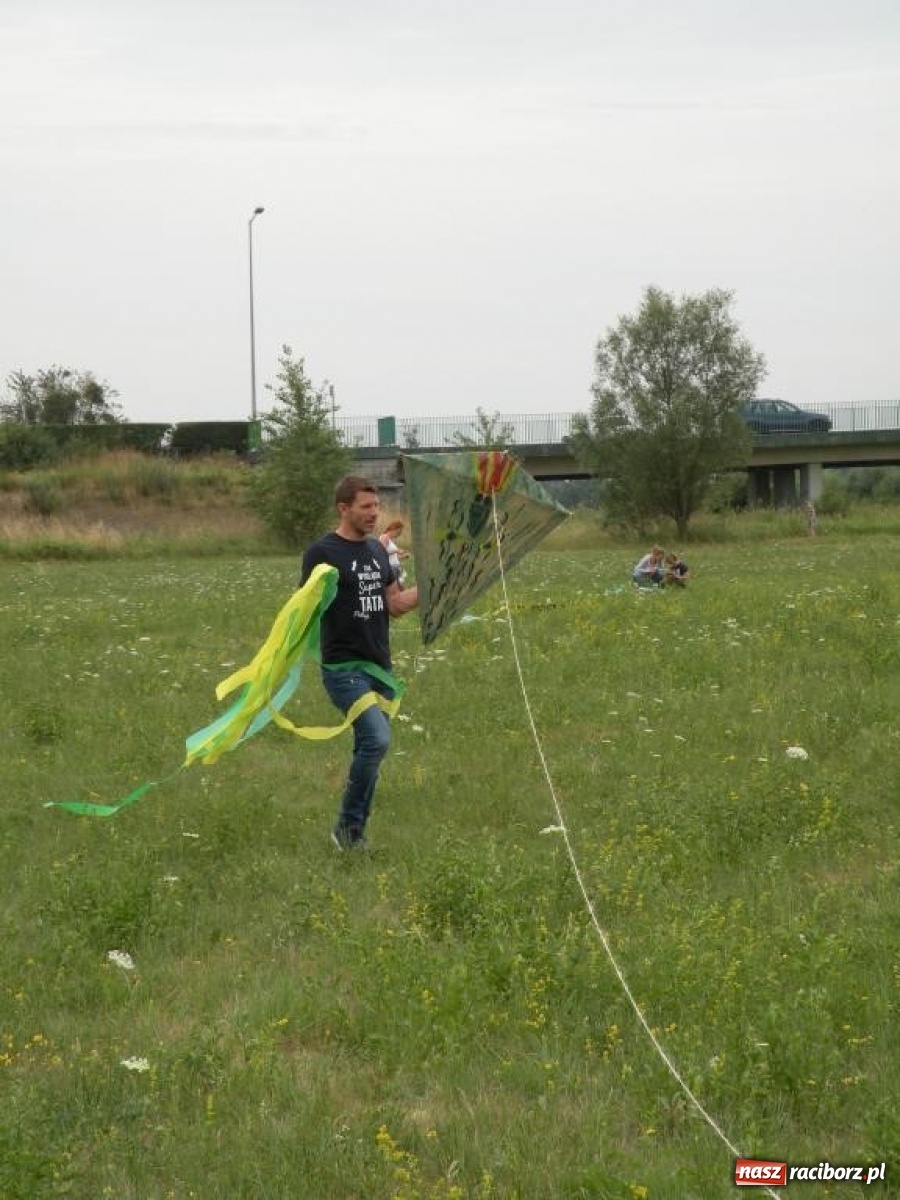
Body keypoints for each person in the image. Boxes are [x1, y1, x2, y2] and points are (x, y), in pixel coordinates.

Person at [300, 475, 419, 849]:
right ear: (344, 508)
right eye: (366, 507)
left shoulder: (376, 552)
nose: (374, 514)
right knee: (377, 740)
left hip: (379, 667)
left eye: (376, 506)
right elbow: (305, 608)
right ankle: (348, 830)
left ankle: (352, 833)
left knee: (368, 746)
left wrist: (435, 584)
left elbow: (396, 605)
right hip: (344, 669)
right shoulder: (322, 552)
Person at [378, 518, 410, 588]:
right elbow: (381, 553)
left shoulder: (390, 540)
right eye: (399, 532)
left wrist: (403, 557)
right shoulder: (384, 537)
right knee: (399, 589)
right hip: (391, 568)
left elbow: (391, 557)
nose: (399, 534)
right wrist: (396, 551)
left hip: (395, 567)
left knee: (400, 589)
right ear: (395, 529)